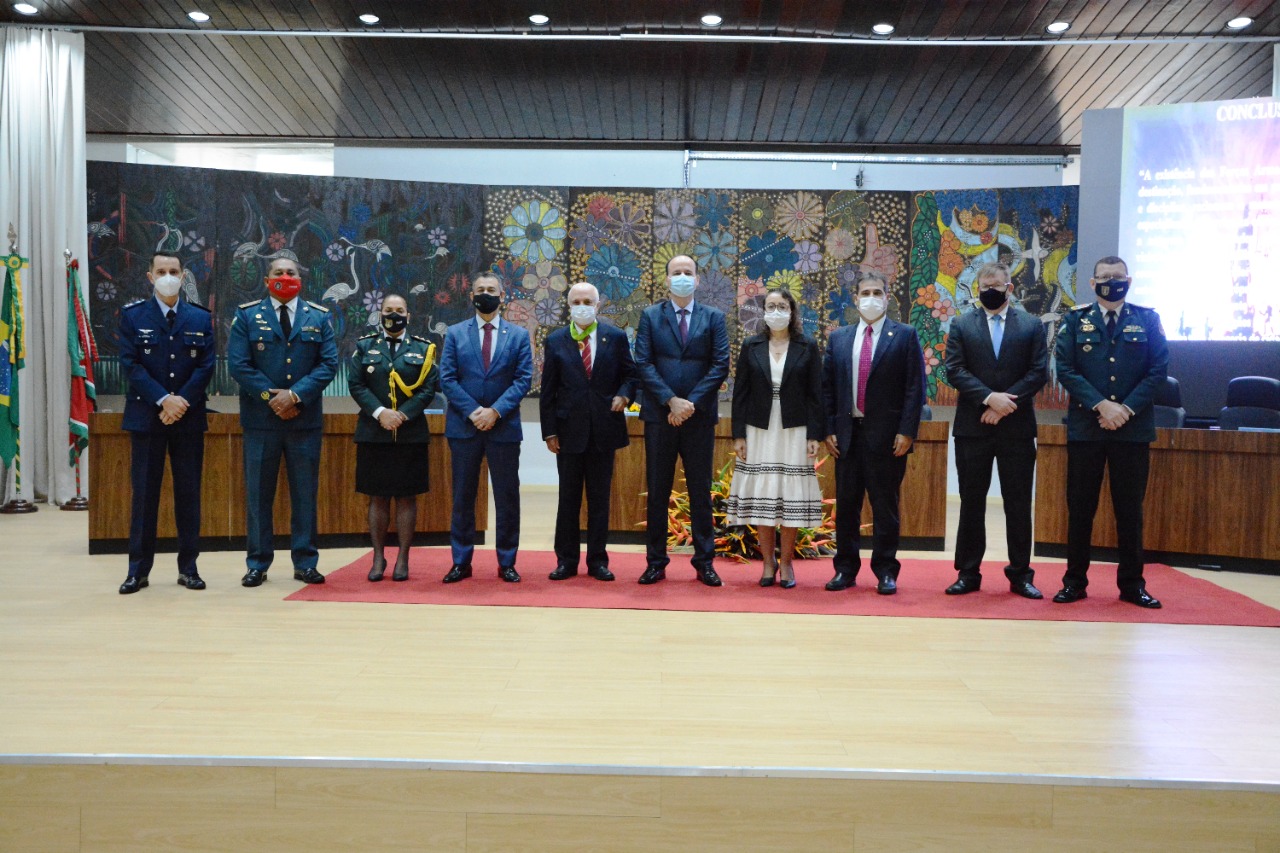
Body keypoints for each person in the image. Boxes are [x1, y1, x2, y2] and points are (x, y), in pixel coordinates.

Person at [1052, 255, 1169, 608]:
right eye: (1104, 277)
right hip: (1088, 428)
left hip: (1131, 431)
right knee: (1080, 509)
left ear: (1129, 282)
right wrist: (1102, 405)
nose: (1111, 282)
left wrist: (1125, 409)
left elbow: (1158, 370)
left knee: (1130, 510)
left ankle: (1132, 585)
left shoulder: (1147, 319)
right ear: (1092, 282)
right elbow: (1066, 369)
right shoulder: (1075, 320)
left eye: (1118, 277)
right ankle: (1074, 582)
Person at [227, 254, 338, 587]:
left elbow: (328, 364)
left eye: (291, 272)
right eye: (279, 272)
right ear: (266, 279)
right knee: (259, 494)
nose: (285, 277)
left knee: (305, 494)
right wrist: (271, 397)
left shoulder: (318, 317)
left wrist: (295, 395)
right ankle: (258, 564)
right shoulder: (247, 316)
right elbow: (239, 365)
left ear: (300, 279)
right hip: (261, 421)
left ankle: (305, 562)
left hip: (304, 421)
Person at [943, 262, 1048, 599]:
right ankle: (968, 572)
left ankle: (1020, 575)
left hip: (1016, 428)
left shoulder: (1031, 326)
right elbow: (955, 370)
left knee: (1017, 503)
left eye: (996, 286)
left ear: (1010, 287)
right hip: (973, 428)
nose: (990, 290)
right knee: (971, 502)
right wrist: (989, 399)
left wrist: (1005, 404)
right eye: (984, 286)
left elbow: (1038, 373)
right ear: (977, 288)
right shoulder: (961, 324)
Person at [116, 252, 216, 594]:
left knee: (188, 495)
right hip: (147, 418)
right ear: (150, 276)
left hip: (187, 420)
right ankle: (137, 570)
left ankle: (189, 568)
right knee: (144, 496)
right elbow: (130, 365)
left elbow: (205, 366)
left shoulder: (200, 318)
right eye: (162, 271)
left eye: (174, 271)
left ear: (183, 274)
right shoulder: (133, 317)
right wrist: (164, 399)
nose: (168, 276)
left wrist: (180, 402)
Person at [821, 270, 925, 595]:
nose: (870, 298)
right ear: (855, 298)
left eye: (876, 292)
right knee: (847, 508)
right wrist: (828, 429)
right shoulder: (838, 338)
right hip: (847, 437)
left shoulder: (905, 335)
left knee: (885, 508)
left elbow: (914, 389)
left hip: (888, 438)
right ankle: (846, 569)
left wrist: (907, 431)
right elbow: (826, 389)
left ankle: (886, 571)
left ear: (887, 296)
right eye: (864, 293)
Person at [633, 254, 731, 586]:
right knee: (658, 492)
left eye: (688, 272)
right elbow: (643, 363)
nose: (683, 277)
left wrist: (689, 404)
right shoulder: (650, 316)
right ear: (666, 279)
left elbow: (720, 365)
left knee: (700, 492)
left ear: (698, 280)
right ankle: (655, 562)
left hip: (699, 418)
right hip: (660, 417)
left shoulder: (714, 317)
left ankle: (705, 562)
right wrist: (671, 401)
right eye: (677, 273)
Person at [725, 288, 824, 588]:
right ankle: (768, 563)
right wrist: (738, 434)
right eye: (771, 306)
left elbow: (816, 395)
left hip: (795, 429)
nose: (776, 311)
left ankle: (787, 564)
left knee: (791, 497)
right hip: (759, 429)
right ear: (763, 312)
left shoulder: (807, 346)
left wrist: (815, 434)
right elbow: (739, 393)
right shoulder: (751, 345)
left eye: (782, 306)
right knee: (764, 498)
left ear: (792, 311)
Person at [438, 271, 533, 583]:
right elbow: (447, 379)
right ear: (471, 296)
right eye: (480, 290)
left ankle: (507, 561)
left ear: (502, 296)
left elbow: (522, 380)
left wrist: (495, 412)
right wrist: (474, 412)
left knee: (507, 497)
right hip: (464, 429)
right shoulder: (454, 334)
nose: (485, 294)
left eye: (492, 290)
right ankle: (461, 561)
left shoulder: (518, 336)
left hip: (503, 428)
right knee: (463, 497)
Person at [540, 282, 636, 581]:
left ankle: (597, 561)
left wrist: (625, 395)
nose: (582, 306)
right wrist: (549, 431)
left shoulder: (616, 337)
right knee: (568, 500)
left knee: (599, 499)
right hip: (569, 432)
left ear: (598, 305)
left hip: (604, 430)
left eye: (588, 301)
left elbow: (631, 375)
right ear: (569, 305)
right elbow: (548, 391)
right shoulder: (555, 340)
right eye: (576, 301)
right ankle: (566, 560)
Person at [348, 294, 440, 582]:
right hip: (374, 432)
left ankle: (403, 558)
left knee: (406, 497)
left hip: (410, 433)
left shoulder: (423, 349)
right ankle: (377, 557)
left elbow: (428, 388)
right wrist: (380, 413)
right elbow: (356, 384)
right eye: (388, 310)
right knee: (377, 497)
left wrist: (402, 415)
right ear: (380, 313)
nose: (394, 315)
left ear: (408, 316)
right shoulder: (364, 347)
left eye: (399, 311)